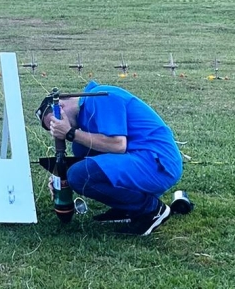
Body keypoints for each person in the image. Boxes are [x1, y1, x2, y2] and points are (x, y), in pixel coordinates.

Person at [36, 80, 183, 236]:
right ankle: (127, 209)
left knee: (79, 175)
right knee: (80, 148)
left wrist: (70, 133)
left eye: (55, 123)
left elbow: (118, 145)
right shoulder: (87, 112)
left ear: (62, 108)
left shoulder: (100, 97)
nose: (57, 130)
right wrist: (61, 174)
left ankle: (151, 209)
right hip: (143, 159)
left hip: (158, 163)